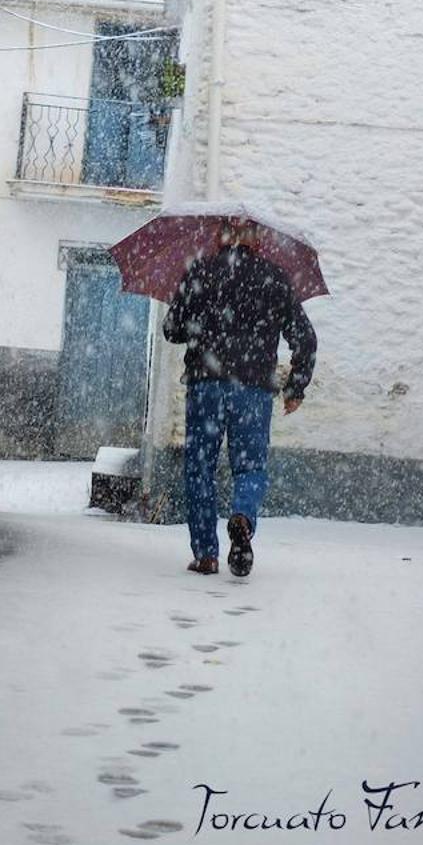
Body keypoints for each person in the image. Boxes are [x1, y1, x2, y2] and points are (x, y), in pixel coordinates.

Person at [162, 219, 317, 577]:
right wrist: (295, 387)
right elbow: (305, 339)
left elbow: (172, 329)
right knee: (250, 467)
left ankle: (206, 554)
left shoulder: (201, 270)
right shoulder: (276, 278)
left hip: (206, 385)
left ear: (222, 236)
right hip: (253, 389)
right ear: (256, 241)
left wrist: (199, 319)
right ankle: (243, 518)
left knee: (200, 469)